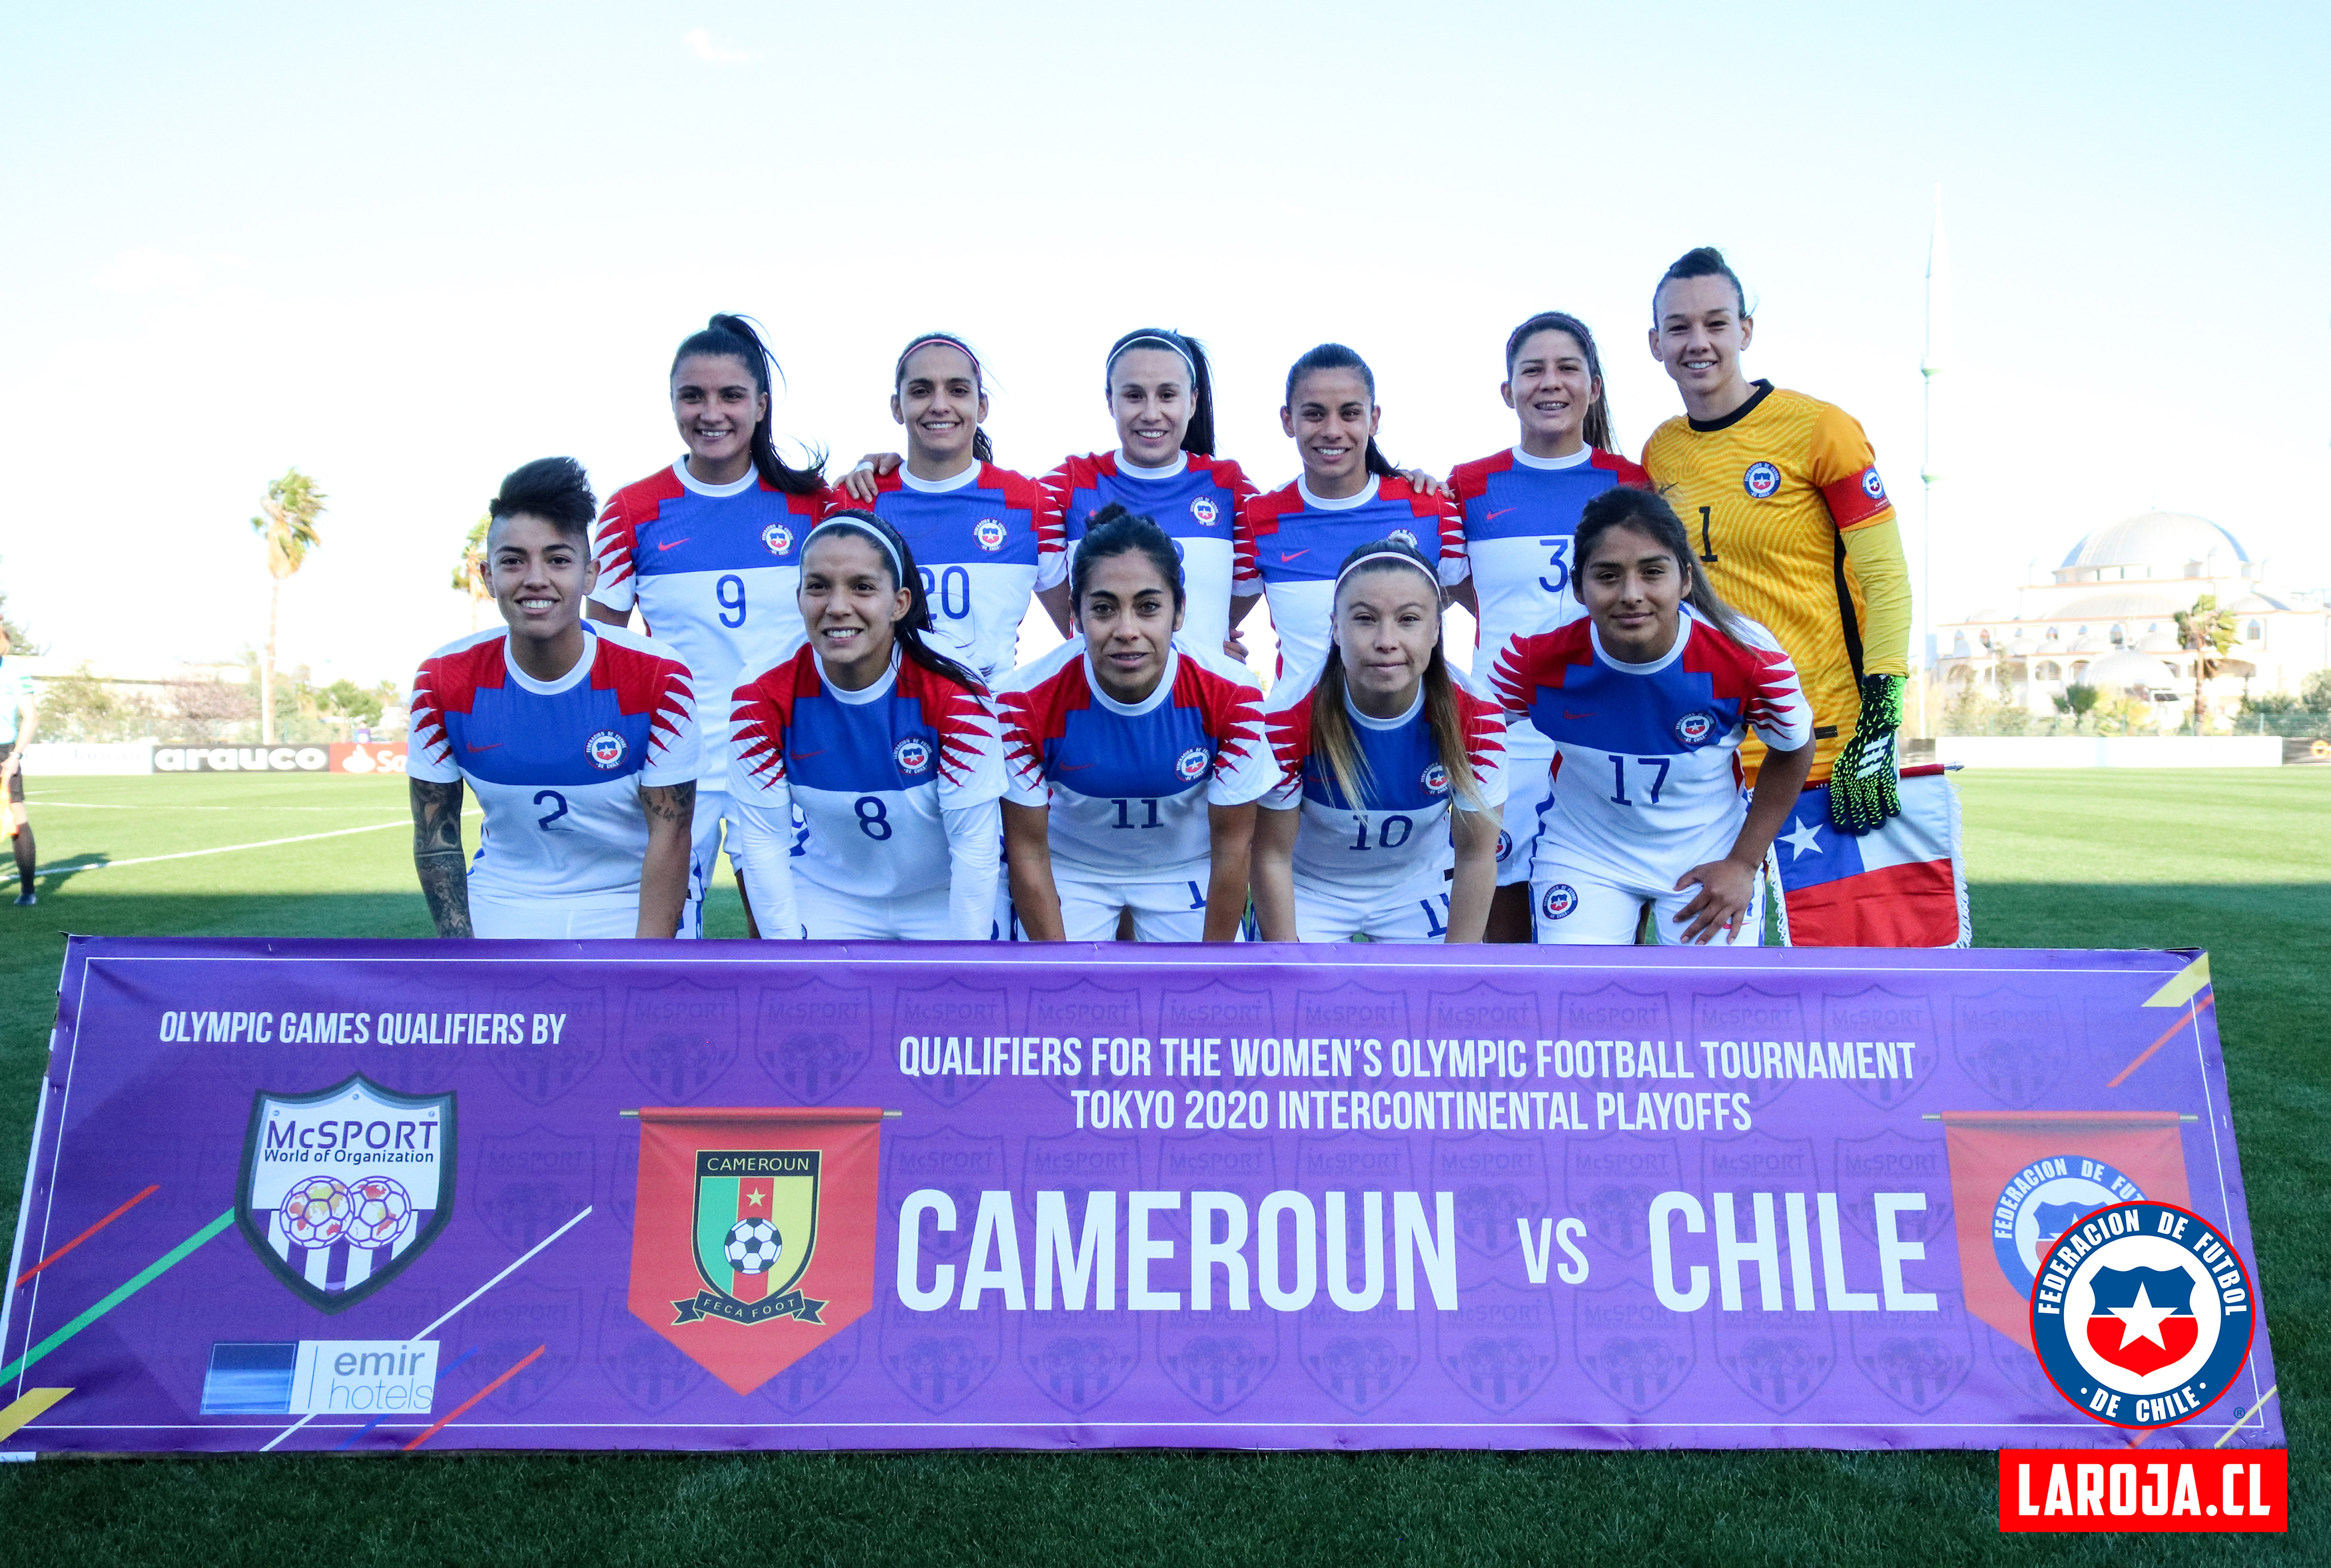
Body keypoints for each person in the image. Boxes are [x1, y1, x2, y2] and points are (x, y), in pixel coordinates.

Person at [1640, 247, 1911, 838]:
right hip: (1710, 755)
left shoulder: (1821, 429)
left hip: (1825, 745)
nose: (1698, 342)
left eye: (1716, 323)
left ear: (1745, 331)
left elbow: (1887, 581)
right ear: (1656, 343)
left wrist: (1881, 721)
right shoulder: (1660, 452)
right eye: (1679, 327)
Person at [586, 314, 831, 935]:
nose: (711, 412)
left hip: (783, 753)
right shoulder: (631, 510)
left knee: (785, 940)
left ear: (761, 405)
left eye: (731, 395)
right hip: (674, 758)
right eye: (692, 396)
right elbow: (602, 651)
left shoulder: (815, 503)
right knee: (658, 938)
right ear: (672, 403)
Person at [1492, 488, 1815, 945]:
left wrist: (1743, 863)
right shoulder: (1532, 655)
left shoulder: (1747, 654)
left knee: (1717, 992)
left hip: (1708, 851)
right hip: (1585, 852)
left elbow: (1795, 748)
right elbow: (1469, 732)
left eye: (1652, 572)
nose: (1631, 594)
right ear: (1579, 586)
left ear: (1685, 579)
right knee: (1581, 988)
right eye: (1608, 576)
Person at [408, 458, 701, 939]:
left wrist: (643, 962)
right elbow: (435, 838)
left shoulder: (658, 675)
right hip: (505, 894)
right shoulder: (442, 679)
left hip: (628, 895)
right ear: (487, 576)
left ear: (591, 575)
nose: (536, 578)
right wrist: (461, 956)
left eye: (558, 560)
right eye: (513, 561)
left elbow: (671, 835)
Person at [1449, 310, 1652, 939]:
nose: (1550, 382)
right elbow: (1455, 588)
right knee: (1503, 933)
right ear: (1507, 390)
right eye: (1532, 370)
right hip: (1505, 733)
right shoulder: (1467, 485)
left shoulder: (1630, 482)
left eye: (1567, 368)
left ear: (1594, 387)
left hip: (1609, 731)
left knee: (1602, 934)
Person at [998, 505, 1276, 942]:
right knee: (1067, 987)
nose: (1126, 630)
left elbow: (1232, 848)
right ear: (1076, 615)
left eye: (1148, 607)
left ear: (1179, 612)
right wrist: (1059, 972)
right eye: (1104, 608)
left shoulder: (1233, 695)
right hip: (1072, 869)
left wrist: (1212, 971)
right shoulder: (1022, 701)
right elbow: (1028, 852)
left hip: (1184, 868)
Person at [727, 511, 1005, 940]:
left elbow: (974, 847)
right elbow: (763, 842)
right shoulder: (761, 693)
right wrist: (789, 959)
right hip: (830, 892)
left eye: (862, 587)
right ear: (799, 597)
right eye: (818, 586)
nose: (837, 607)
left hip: (945, 889)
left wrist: (963, 964)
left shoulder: (955, 689)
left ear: (900, 603)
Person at [1251, 540, 1504, 943]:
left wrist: (1455, 967)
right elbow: (1271, 855)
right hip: (1311, 889)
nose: (1386, 640)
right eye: (1365, 619)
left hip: (1416, 887)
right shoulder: (1285, 717)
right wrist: (1289, 963)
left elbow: (1476, 856)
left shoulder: (1478, 717)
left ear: (1436, 629)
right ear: (1336, 627)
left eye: (1409, 619)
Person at [829, 333, 1062, 686]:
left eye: (958, 390)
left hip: (993, 716)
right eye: (921, 391)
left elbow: (1081, 628)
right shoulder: (855, 501)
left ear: (981, 406)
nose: (940, 405)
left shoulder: (1030, 502)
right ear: (897, 407)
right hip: (883, 717)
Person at [1243, 344, 1467, 692]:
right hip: (1296, 726)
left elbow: (1492, 610)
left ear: (1373, 420)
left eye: (1349, 413)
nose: (1332, 430)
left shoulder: (1430, 507)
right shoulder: (1256, 519)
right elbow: (1209, 624)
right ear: (1288, 420)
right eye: (1314, 414)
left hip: (1410, 724)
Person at [1035, 330, 1261, 658]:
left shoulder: (1232, 487)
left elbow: (1248, 586)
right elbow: (1067, 609)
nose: (1152, 413)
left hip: (1202, 691)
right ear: (1110, 401)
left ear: (1192, 402)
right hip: (1098, 688)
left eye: (1167, 395)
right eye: (1134, 396)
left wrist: (1212, 641)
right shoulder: (1063, 486)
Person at [0, 623, 38, 906]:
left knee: (16, 818)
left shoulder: (14, 672)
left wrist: (15, 756)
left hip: (4, 752)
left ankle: (27, 891)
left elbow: (31, 718)